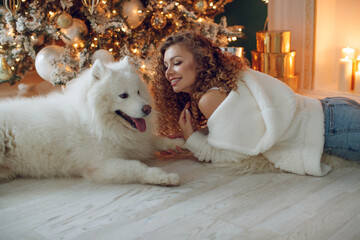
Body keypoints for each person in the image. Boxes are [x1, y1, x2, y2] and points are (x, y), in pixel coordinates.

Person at [151, 30, 360, 176]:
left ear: (200, 62)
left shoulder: (209, 98)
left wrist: (191, 138)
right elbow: (238, 132)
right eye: (166, 66)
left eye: (177, 62)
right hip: (332, 110)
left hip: (334, 129)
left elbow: (230, 156)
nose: (168, 72)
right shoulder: (222, 83)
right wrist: (200, 134)